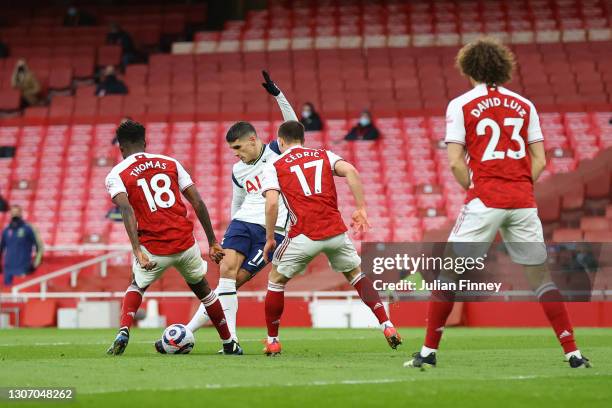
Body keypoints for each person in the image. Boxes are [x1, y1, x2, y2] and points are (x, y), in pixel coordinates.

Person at [404, 38, 590, 369]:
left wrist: (476, 186)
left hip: (485, 198)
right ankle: (573, 353)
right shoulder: (525, 105)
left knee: (448, 275)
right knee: (541, 278)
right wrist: (518, 184)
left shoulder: (460, 105)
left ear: (468, 68)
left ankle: (428, 353)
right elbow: (540, 159)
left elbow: (456, 163)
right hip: (522, 200)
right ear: (504, 67)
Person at [156, 71, 298, 352]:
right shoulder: (237, 170)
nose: (235, 153)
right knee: (225, 276)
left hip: (273, 230)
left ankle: (186, 331)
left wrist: (278, 95)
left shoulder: (276, 151)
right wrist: (224, 235)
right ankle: (230, 341)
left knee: (233, 284)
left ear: (254, 140)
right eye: (232, 149)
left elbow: (292, 125)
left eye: (238, 147)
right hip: (242, 224)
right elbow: (237, 202)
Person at [260, 121, 402, 356]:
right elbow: (352, 171)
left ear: (281, 141)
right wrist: (361, 208)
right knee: (356, 275)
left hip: (302, 235)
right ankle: (387, 325)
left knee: (276, 281)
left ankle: (273, 341)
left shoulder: (274, 165)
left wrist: (269, 239)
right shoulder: (324, 154)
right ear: (303, 140)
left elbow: (272, 202)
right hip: (335, 232)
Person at [105, 120, 241, 356]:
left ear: (121, 148)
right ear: (145, 143)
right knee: (205, 292)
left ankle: (124, 330)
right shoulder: (170, 162)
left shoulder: (116, 174)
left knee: (137, 285)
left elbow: (126, 210)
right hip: (185, 243)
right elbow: (197, 201)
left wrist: (137, 250)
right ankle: (229, 342)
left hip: (154, 248)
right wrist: (212, 241)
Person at [0, 205, 44, 286]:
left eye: (17, 212)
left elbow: (40, 247)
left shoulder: (29, 228)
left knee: (23, 296)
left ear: (21, 213)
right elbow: (1, 249)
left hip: (24, 270)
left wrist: (35, 264)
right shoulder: (6, 230)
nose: (14, 214)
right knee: (8, 297)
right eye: (13, 212)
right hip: (8, 271)